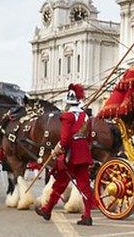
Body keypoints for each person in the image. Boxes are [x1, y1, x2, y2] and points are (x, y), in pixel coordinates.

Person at [35, 83, 97, 226]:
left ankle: (47, 209)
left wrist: (58, 148)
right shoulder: (85, 116)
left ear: (68, 102)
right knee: (84, 185)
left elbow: (65, 139)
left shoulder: (67, 116)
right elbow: (88, 137)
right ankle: (87, 215)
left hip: (71, 154)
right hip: (83, 153)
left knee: (60, 183)